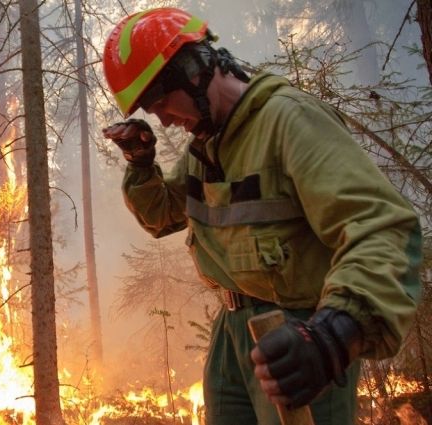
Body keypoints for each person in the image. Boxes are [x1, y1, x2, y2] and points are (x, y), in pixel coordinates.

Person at [101, 7, 422, 425]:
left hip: (297, 333)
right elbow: (164, 216)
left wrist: (333, 335)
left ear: (194, 69)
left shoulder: (289, 120)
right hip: (232, 336)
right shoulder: (207, 146)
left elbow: (382, 227)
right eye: (150, 110)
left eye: (161, 101)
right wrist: (141, 163)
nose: (161, 119)